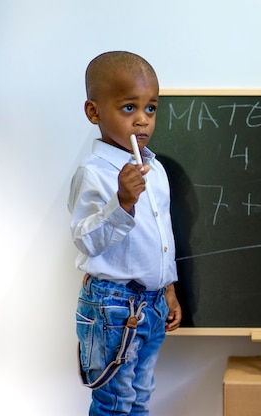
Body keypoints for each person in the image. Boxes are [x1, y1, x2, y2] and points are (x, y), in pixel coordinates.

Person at [68, 51, 182, 415]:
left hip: (151, 303)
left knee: (140, 395)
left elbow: (162, 236)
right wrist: (122, 203)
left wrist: (168, 289)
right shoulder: (94, 173)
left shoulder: (155, 168)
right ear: (94, 112)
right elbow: (85, 239)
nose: (142, 121)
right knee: (115, 402)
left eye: (151, 109)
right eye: (129, 108)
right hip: (112, 306)